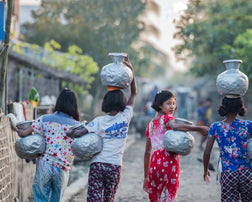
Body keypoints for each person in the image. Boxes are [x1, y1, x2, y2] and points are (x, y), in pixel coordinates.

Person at [67, 55, 137, 202]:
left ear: (105, 102)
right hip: (115, 166)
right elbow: (134, 93)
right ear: (122, 101)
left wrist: (70, 132)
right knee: (108, 199)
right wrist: (130, 71)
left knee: (94, 199)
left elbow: (80, 132)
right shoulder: (126, 116)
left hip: (98, 165)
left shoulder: (99, 121)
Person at [203, 96, 252, 201]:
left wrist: (205, 170)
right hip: (247, 172)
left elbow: (206, 152)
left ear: (224, 107)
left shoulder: (215, 127)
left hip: (228, 173)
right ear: (240, 108)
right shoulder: (247, 125)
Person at [16, 88, 81, 202]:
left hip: (45, 164)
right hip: (62, 168)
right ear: (74, 105)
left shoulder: (45, 119)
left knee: (41, 198)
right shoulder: (77, 126)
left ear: (58, 102)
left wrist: (15, 125)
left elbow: (23, 133)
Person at [143, 90, 209, 202]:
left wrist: (146, 177)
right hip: (168, 164)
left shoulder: (150, 125)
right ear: (160, 105)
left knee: (156, 198)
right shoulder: (167, 118)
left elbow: (147, 153)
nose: (172, 106)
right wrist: (198, 128)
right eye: (168, 103)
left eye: (174, 103)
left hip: (154, 166)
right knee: (169, 197)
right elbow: (175, 126)